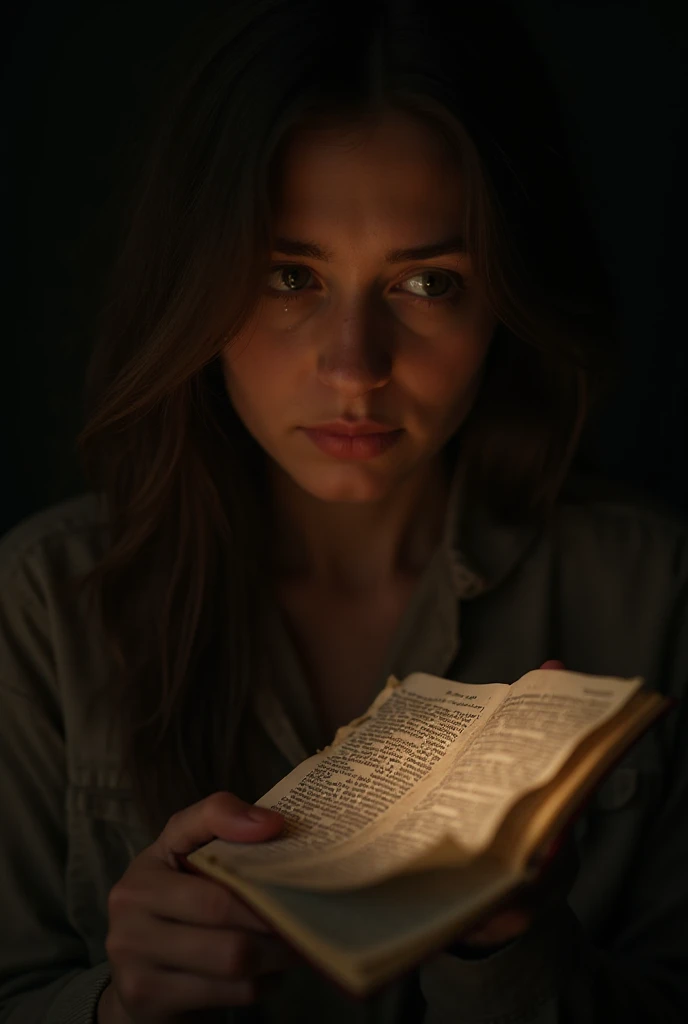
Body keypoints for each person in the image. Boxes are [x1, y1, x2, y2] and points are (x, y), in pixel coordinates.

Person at [1, 0, 686, 1021]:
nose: (354, 367)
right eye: (290, 275)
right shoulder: (51, 598)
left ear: (505, 298)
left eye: (425, 281)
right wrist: (118, 1007)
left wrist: (509, 949)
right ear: (193, 284)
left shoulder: (645, 588)